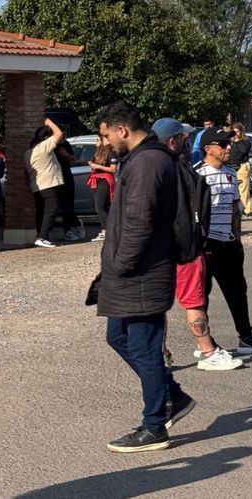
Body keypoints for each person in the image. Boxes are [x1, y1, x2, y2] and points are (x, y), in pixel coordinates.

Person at [95, 102, 195, 453]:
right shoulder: (139, 160)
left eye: (107, 135)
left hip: (143, 273)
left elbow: (139, 221)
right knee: (118, 336)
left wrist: (119, 264)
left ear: (122, 130)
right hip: (133, 273)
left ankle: (154, 427)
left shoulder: (148, 162)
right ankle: (173, 396)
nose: (105, 142)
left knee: (144, 347)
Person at [151, 119, 245, 371]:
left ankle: (160, 354)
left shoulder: (150, 166)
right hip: (182, 246)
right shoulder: (181, 169)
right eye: (183, 138)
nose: (186, 142)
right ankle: (206, 351)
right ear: (173, 141)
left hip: (160, 247)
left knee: (160, 302)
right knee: (193, 300)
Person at [193, 127, 252, 357]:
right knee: (202, 296)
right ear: (208, 149)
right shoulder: (196, 174)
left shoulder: (230, 173)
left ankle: (246, 336)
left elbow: (234, 210)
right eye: (223, 144)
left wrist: (238, 241)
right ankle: (204, 343)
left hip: (228, 245)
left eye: (228, 143)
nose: (229, 147)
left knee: (238, 292)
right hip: (205, 246)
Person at [28, 118, 66, 248]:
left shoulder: (28, 151)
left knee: (41, 210)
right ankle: (43, 236)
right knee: (52, 209)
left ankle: (40, 234)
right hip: (48, 183)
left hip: (36, 185)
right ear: (45, 138)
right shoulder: (44, 146)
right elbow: (59, 134)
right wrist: (49, 122)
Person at [87, 134, 117, 242]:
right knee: (103, 207)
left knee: (100, 207)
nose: (96, 141)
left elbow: (113, 169)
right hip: (97, 180)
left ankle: (106, 232)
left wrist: (97, 166)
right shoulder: (99, 151)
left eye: (99, 139)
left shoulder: (111, 152)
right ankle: (107, 231)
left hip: (104, 180)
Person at [54, 134, 84, 242]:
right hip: (54, 178)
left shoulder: (66, 144)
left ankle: (68, 231)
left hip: (66, 178)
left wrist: (65, 154)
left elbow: (73, 159)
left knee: (67, 205)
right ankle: (75, 222)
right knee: (58, 205)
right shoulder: (51, 145)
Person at [228, 124, 252, 216]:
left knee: (243, 189)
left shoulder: (245, 141)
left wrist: (237, 142)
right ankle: (234, 208)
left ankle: (245, 209)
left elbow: (244, 151)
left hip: (242, 165)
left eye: (237, 131)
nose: (236, 134)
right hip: (231, 166)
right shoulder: (230, 142)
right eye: (234, 132)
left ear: (241, 132)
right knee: (232, 189)